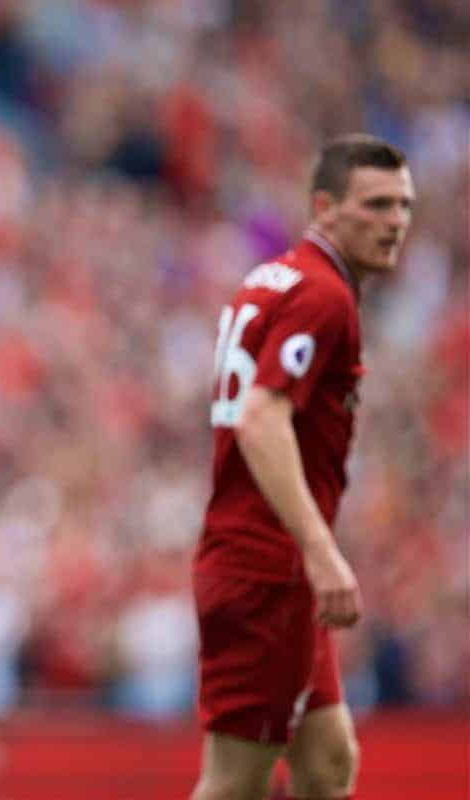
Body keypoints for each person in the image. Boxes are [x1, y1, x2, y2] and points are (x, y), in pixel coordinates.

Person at [191, 135, 414, 800]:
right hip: (268, 568)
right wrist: (319, 551)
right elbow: (261, 418)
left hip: (262, 561)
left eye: (403, 205)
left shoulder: (273, 278)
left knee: (327, 763)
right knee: (233, 785)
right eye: (375, 205)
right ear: (325, 206)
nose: (395, 221)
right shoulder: (324, 297)